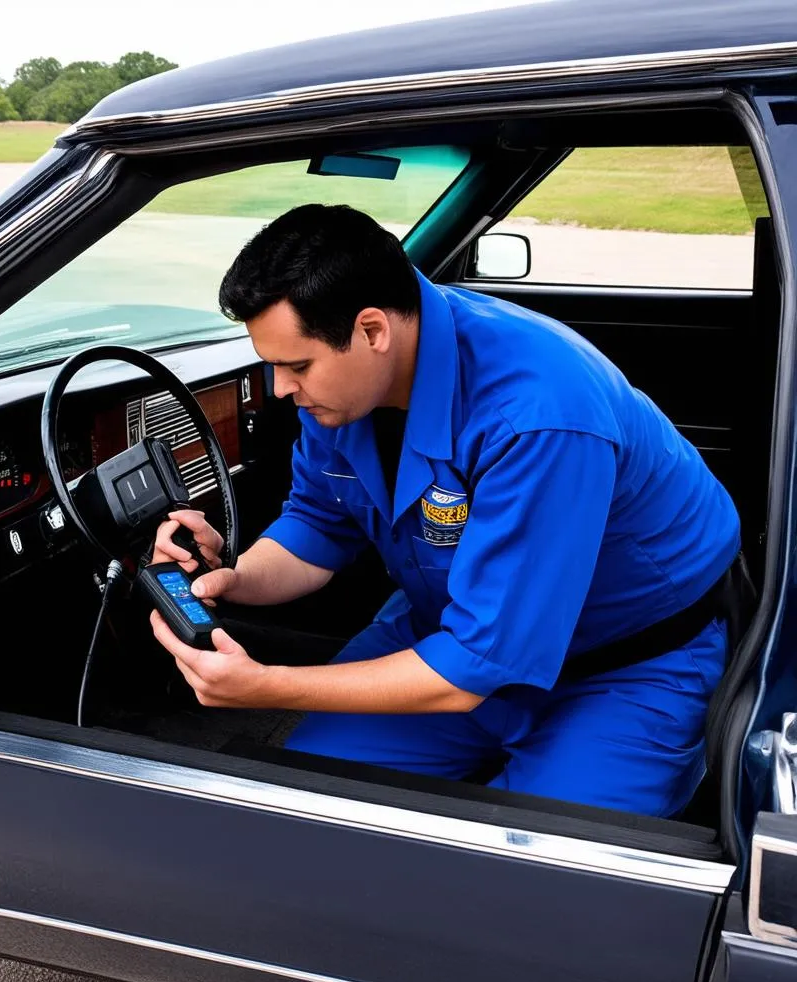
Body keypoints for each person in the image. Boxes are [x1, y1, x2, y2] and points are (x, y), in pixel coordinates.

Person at [148, 202, 747, 817]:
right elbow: (316, 526)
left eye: (296, 365)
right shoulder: (343, 393)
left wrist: (268, 688)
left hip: (624, 664)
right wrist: (236, 576)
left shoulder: (537, 413)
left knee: (547, 879)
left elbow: (473, 669)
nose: (279, 388)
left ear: (373, 330)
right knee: (305, 803)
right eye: (271, 364)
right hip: (450, 626)